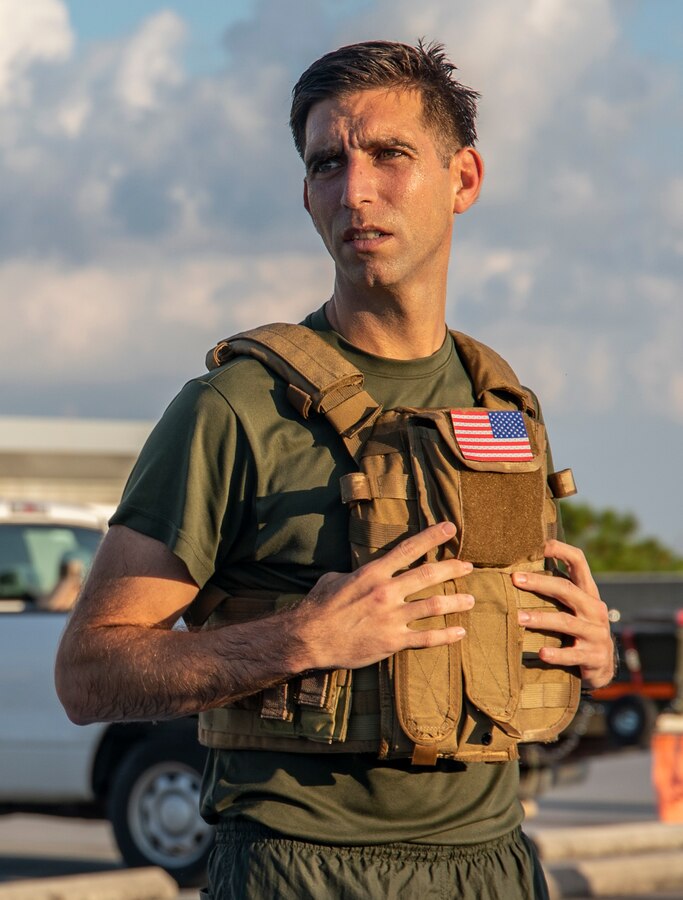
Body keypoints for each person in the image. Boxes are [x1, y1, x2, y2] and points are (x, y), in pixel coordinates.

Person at [56, 40, 614, 899]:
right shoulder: (232, 408)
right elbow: (89, 672)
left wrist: (587, 648)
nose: (354, 191)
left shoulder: (501, 407)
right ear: (306, 192)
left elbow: (509, 618)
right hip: (298, 867)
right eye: (327, 163)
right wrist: (298, 641)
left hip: (494, 861)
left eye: (389, 155)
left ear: (463, 178)